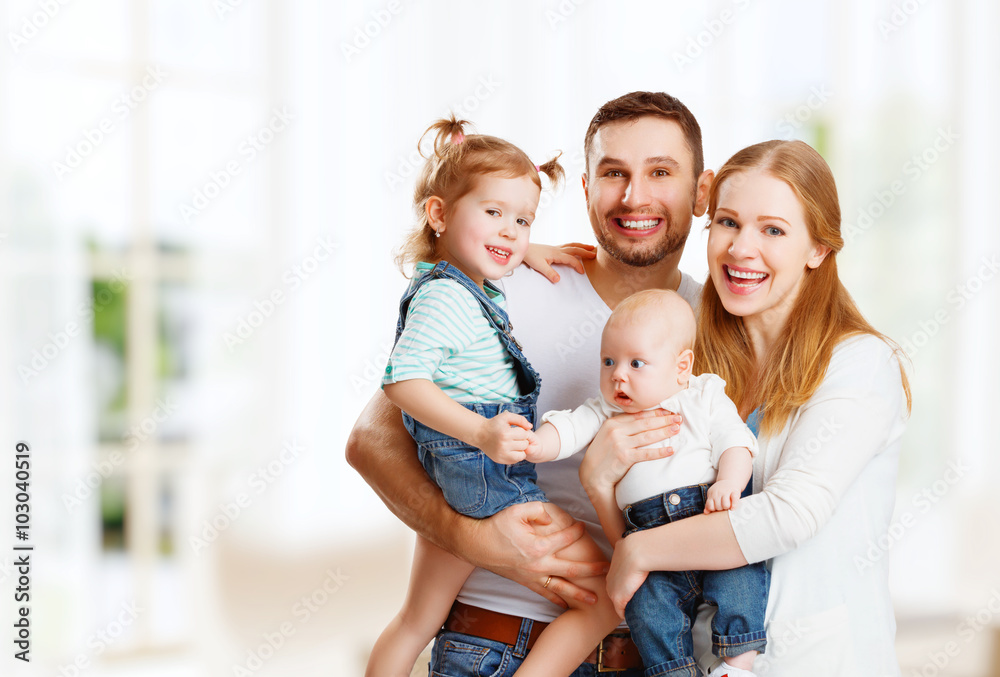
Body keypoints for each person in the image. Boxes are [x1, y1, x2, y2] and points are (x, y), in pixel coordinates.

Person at [347, 91, 714, 676]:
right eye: (613, 173)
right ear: (588, 188)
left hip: (650, 654)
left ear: (702, 192)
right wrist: (469, 537)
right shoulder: (501, 284)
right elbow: (370, 440)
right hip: (490, 643)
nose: (634, 196)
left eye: (661, 172)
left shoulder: (715, 323)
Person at [584, 140, 912, 676]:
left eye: (774, 230)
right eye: (729, 222)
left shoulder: (859, 364)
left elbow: (787, 515)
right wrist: (600, 489)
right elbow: (650, 530)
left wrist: (638, 552)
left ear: (818, 249)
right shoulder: (689, 370)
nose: (741, 248)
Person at [366, 115, 620, 677]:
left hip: (463, 476)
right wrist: (480, 431)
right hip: (483, 476)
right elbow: (401, 381)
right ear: (438, 214)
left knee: (415, 621)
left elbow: (487, 248)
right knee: (610, 592)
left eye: (522, 220)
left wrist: (523, 246)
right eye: (494, 213)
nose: (509, 231)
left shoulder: (459, 283)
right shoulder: (445, 301)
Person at [528, 288, 768, 677]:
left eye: (636, 363)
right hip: (645, 529)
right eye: (608, 361)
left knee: (739, 574)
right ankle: (673, 670)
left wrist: (730, 481)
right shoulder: (606, 409)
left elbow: (736, 441)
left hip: (705, 516)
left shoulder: (703, 396)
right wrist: (538, 444)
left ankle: (737, 662)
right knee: (646, 608)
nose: (617, 374)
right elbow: (570, 428)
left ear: (681, 366)